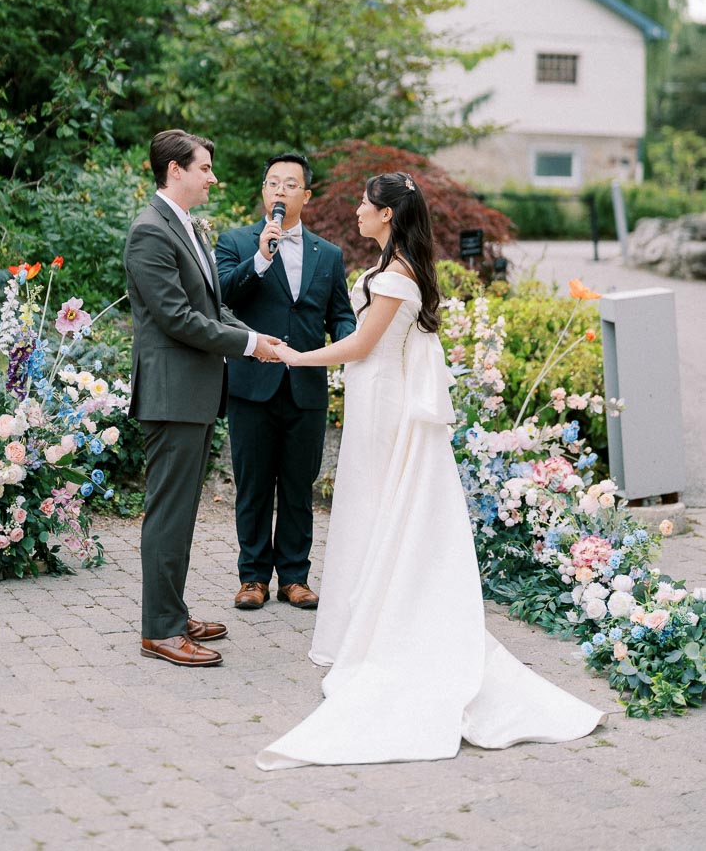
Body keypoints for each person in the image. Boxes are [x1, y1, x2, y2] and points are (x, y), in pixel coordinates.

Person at [257, 172, 602, 766]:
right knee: (369, 508)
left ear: (387, 214)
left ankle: (382, 629)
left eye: (366, 205)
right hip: (375, 396)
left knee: (377, 506)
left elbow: (361, 346)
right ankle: (366, 621)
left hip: (383, 400)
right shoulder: (396, 266)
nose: (359, 212)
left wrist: (294, 356)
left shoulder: (394, 275)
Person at [123, 129, 280, 668]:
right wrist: (249, 342)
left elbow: (210, 307)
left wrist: (257, 340)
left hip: (193, 392)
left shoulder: (186, 227)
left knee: (182, 512)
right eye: (205, 168)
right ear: (175, 171)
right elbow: (177, 319)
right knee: (167, 515)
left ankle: (172, 610)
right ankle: (160, 631)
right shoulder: (150, 232)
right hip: (170, 394)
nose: (213, 178)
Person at [215, 153, 356, 611]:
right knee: (253, 484)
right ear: (262, 191)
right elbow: (222, 297)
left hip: (306, 388)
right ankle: (252, 577)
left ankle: (295, 577)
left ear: (306, 195)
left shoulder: (329, 254)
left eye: (290, 184)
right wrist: (260, 257)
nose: (280, 191)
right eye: (273, 182)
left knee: (299, 486)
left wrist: (354, 351)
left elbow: (340, 317)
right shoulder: (235, 242)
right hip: (251, 385)